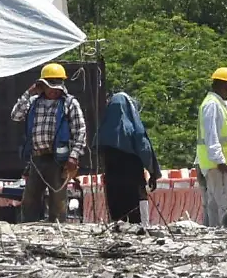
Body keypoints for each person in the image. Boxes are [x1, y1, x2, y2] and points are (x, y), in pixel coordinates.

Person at [10, 62, 87, 224]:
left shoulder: (70, 103)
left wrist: (73, 156)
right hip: (36, 159)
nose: (54, 90)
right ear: (42, 85)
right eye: (49, 85)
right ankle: (28, 230)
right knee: (30, 200)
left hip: (59, 160)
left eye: (57, 86)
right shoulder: (33, 101)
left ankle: (58, 232)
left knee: (58, 202)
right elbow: (15, 115)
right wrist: (29, 92)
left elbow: (80, 131)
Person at [99, 86, 159, 225]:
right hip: (132, 178)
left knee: (117, 217)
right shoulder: (134, 129)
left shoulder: (103, 130)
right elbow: (145, 149)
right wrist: (153, 172)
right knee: (134, 216)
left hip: (112, 179)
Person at [196, 67, 227, 228]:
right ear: (224, 86)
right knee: (225, 203)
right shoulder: (212, 105)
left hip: (219, 165)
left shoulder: (216, 104)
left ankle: (216, 234)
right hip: (219, 166)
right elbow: (211, 135)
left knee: (215, 204)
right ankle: (224, 235)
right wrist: (220, 160)